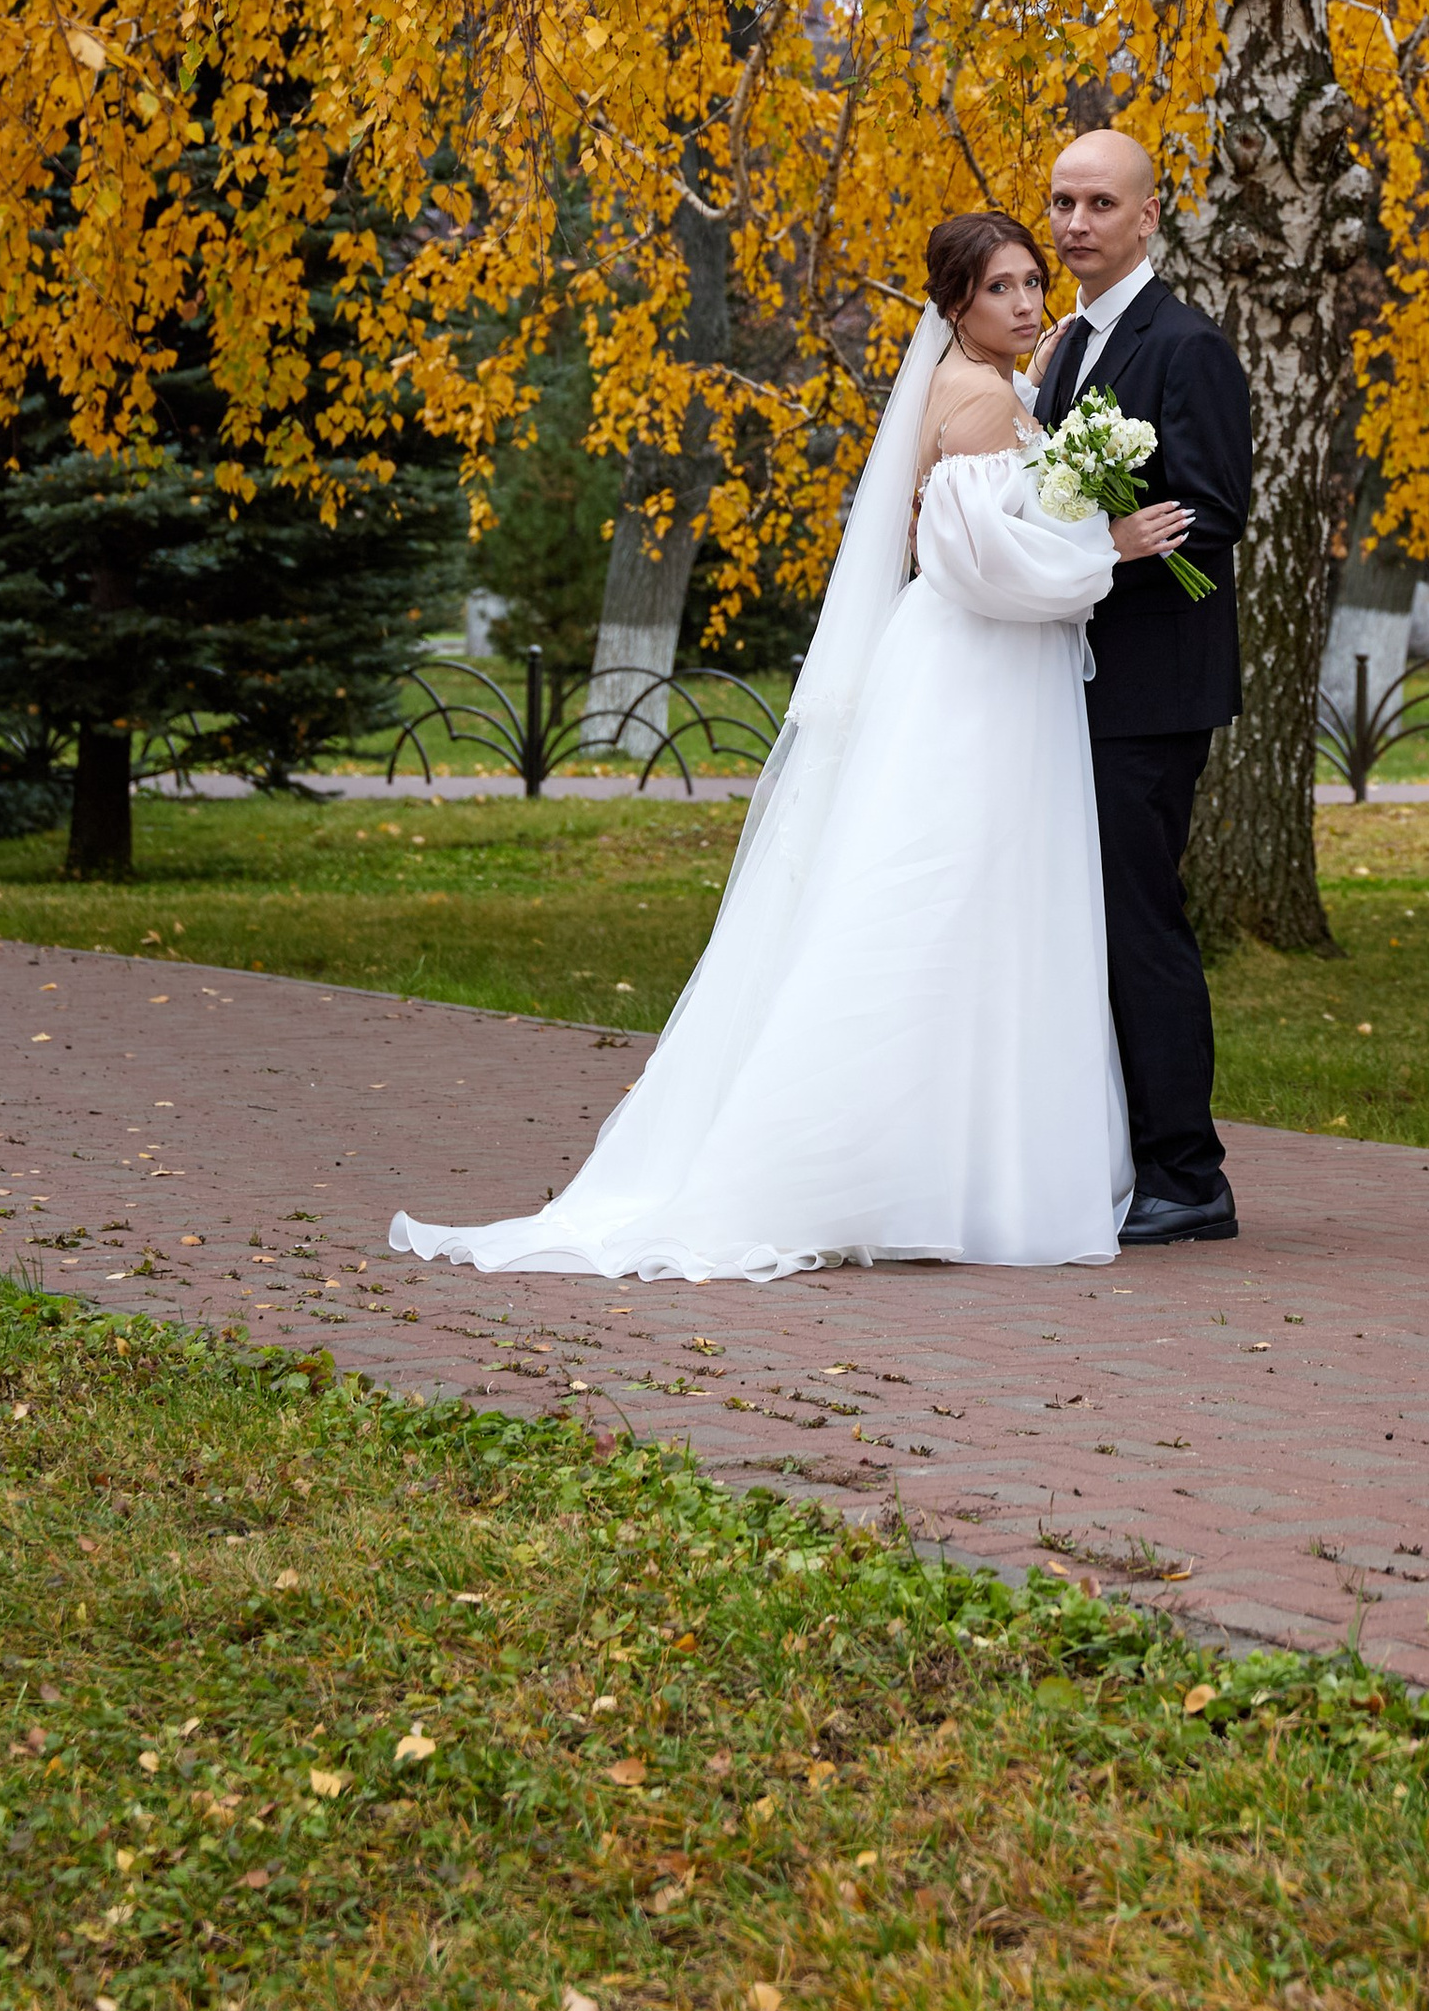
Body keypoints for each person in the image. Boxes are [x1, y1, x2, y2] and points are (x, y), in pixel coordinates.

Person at [388, 212, 1196, 1284]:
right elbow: (974, 562)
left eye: (1030, 283)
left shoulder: (986, 385)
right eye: (1000, 288)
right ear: (954, 304)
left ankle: (949, 1168)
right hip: (978, 674)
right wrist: (1108, 542)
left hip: (983, 670)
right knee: (955, 890)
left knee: (977, 897)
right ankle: (925, 1169)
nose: (1025, 305)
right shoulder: (978, 397)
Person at [1036, 128, 1251, 1247]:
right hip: (1073, 682)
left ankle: (1188, 1173)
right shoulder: (1066, 344)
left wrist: (1099, 537)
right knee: (1084, 923)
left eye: (1100, 203)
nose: (1076, 223)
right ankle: (1118, 1158)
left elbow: (1214, 509)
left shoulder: (1187, 346)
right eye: (1062, 202)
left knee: (1139, 924)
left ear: (1149, 215)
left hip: (1152, 690)